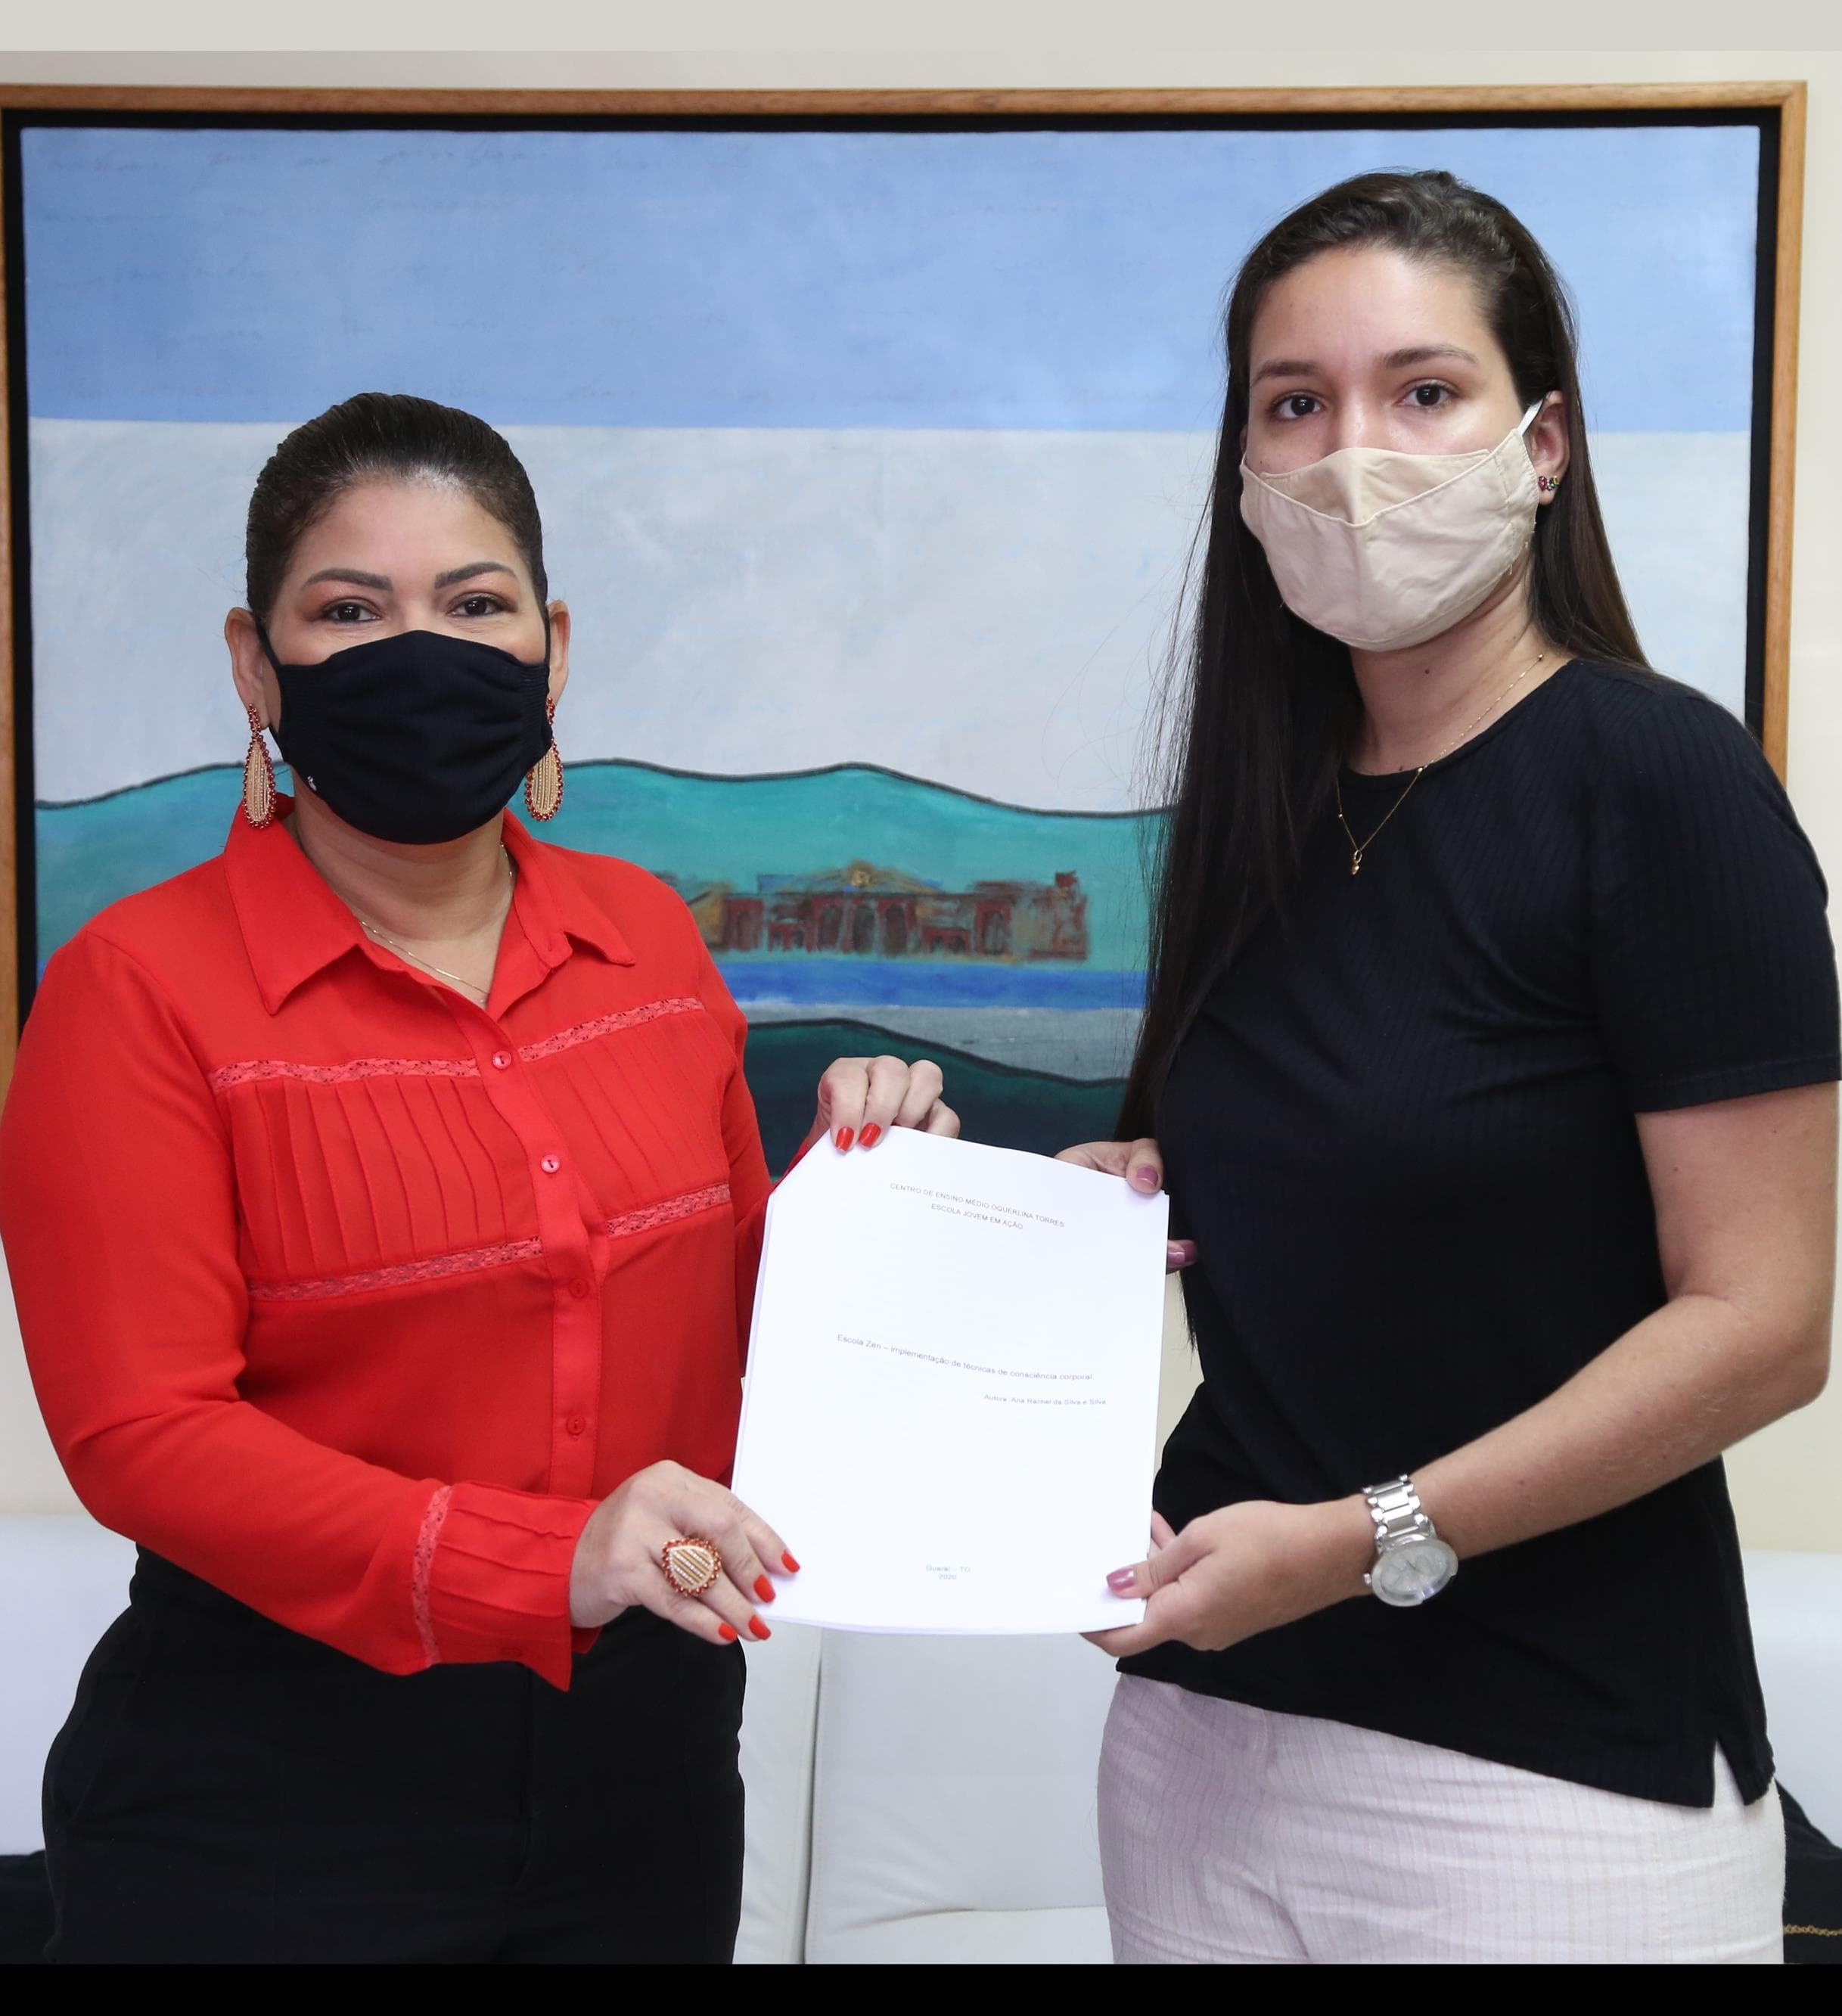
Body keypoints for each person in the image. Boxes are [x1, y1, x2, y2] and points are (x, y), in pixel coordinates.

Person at [0, 393, 958, 1965]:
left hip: (643, 1776)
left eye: (473, 603)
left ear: (551, 649)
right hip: (274, 1791)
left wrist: (877, 1205)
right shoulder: (136, 986)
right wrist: (545, 1560)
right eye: (350, 611)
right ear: (258, 665)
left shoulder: (644, 936)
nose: (416, 649)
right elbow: (142, 1436)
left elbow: (719, 1325)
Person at [1060, 170, 1838, 1965]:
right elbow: (1298, 1195)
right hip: (1204, 1724)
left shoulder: (1659, 780)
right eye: (1295, 403)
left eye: (1425, 393)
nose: (1356, 454)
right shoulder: (1259, 812)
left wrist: (1367, 1535)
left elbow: (1767, 1322)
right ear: (1245, 465)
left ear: (1542, 440)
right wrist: (1111, 1203)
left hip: (1548, 1774)